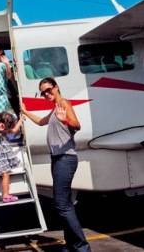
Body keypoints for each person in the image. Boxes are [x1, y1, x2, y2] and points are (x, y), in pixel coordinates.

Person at [21, 77, 91, 252]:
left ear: (56, 87)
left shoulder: (64, 104)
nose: (46, 94)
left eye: (48, 90)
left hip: (65, 158)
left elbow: (77, 125)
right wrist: (25, 111)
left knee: (61, 205)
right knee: (65, 203)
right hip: (57, 159)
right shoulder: (54, 109)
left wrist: (64, 119)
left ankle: (82, 248)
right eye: (43, 92)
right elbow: (40, 122)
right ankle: (71, 245)